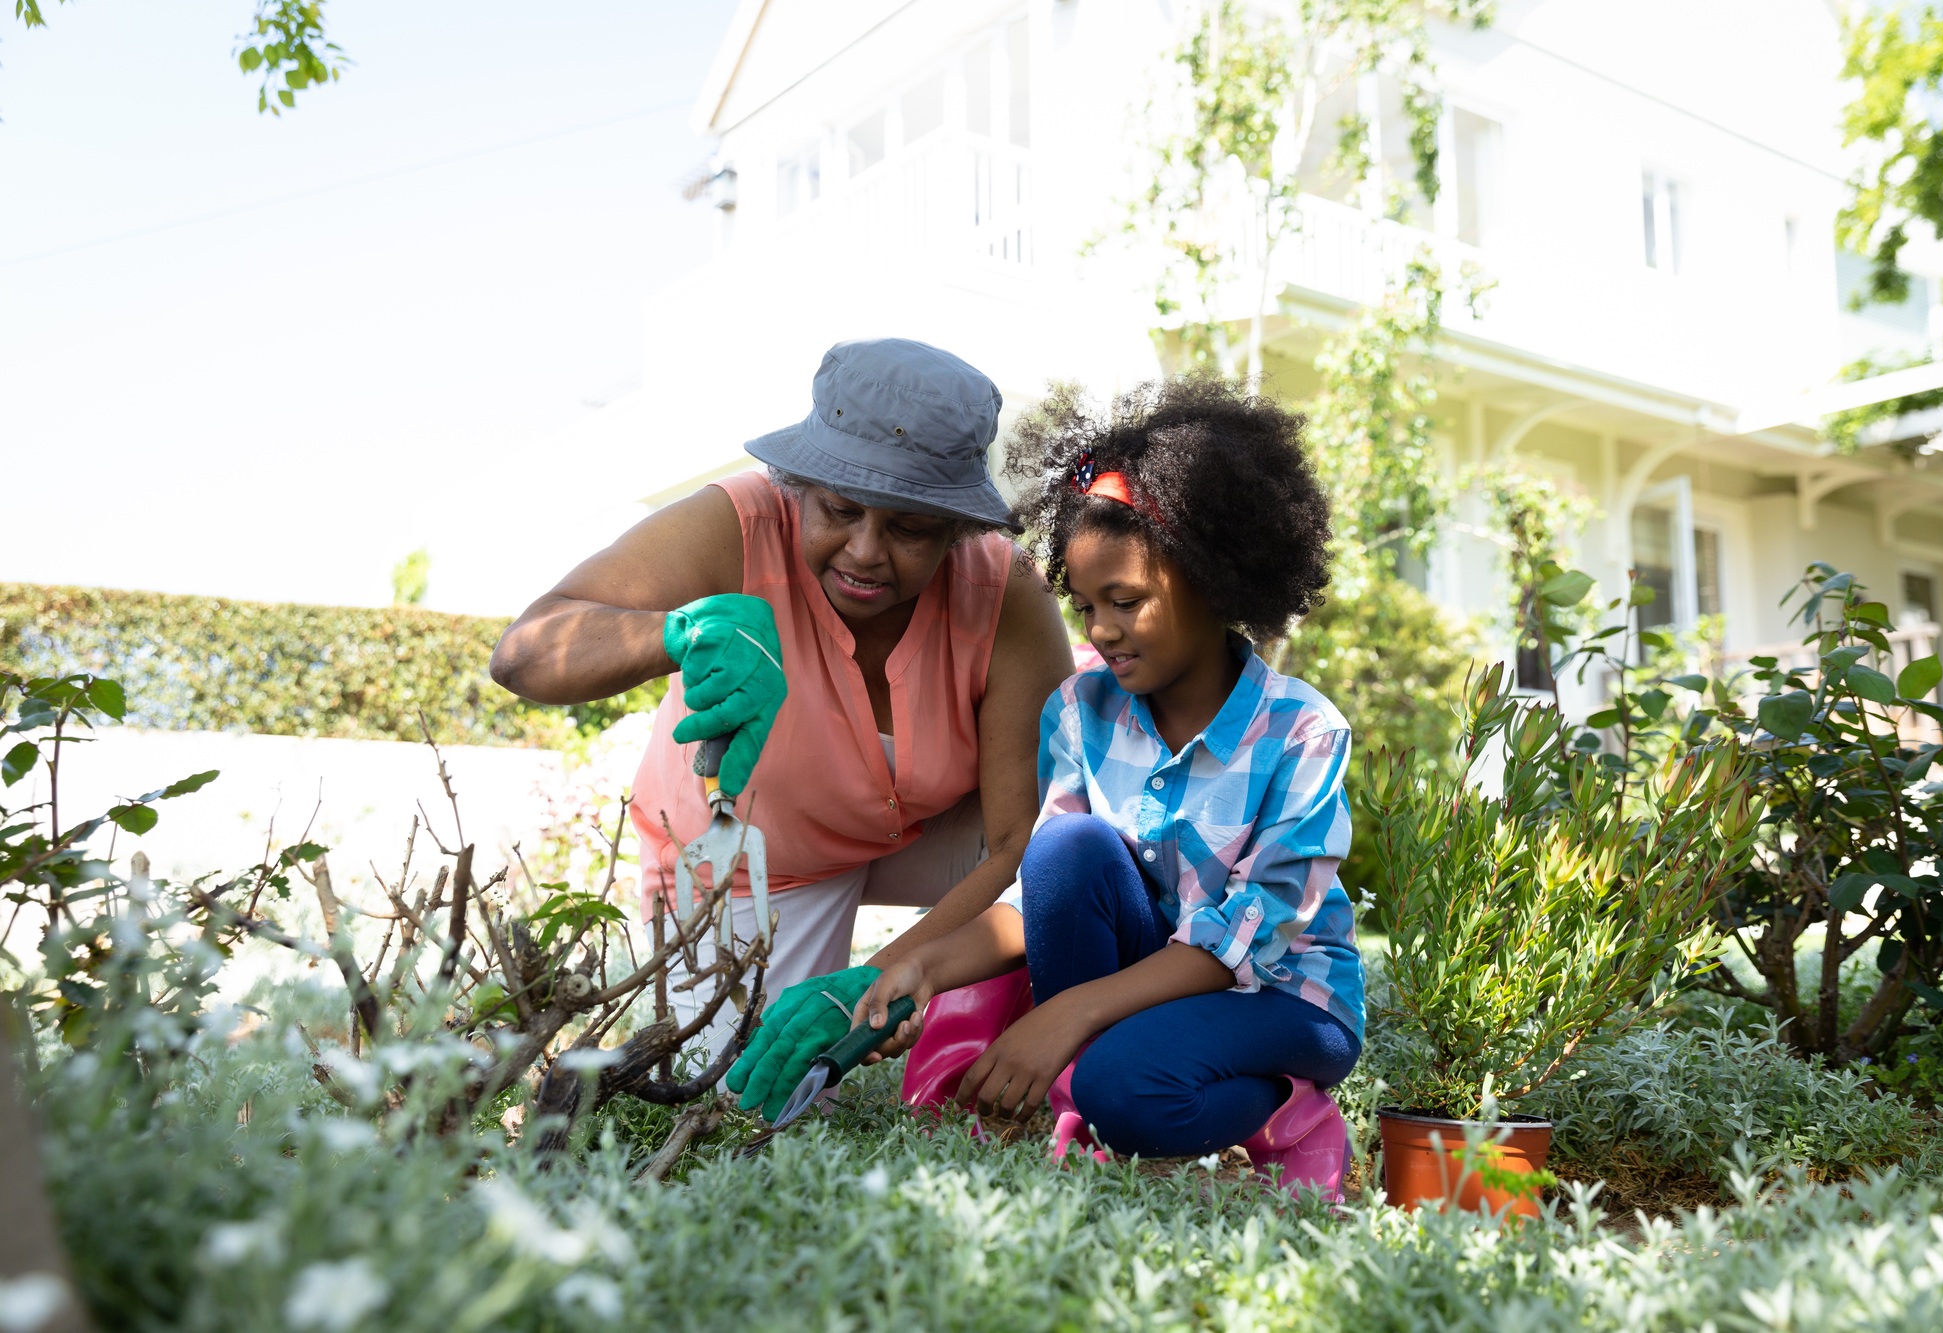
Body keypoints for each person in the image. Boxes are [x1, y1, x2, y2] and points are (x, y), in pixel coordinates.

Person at [737, 377, 1364, 1171]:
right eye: (1087, 604)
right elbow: (1039, 899)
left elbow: (1246, 934)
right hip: (1147, 989)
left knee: (1128, 1093)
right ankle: (1092, 1088)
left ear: (1214, 579)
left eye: (1125, 601)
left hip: (1282, 993)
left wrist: (1063, 1015)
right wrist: (918, 967)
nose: (1101, 630)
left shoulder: (1302, 731)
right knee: (1066, 848)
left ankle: (1288, 1112)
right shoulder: (1079, 711)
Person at [490, 338, 1073, 1043]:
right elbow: (525, 652)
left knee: (1076, 858)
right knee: (742, 1094)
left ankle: (1030, 1024)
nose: (865, 550)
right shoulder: (736, 527)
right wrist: (676, 636)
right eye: (840, 510)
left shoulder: (1002, 590)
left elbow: (1021, 839)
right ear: (800, 488)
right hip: (756, 859)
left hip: (931, 833)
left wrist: (888, 977)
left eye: (910, 527)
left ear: (956, 528)